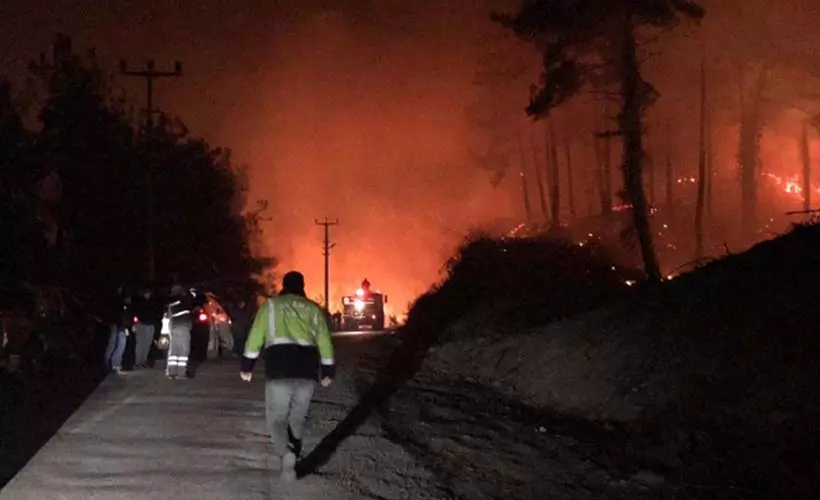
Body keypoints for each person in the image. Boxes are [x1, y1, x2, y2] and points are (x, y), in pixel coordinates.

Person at [240, 271, 335, 482]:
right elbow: (325, 342)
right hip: (307, 371)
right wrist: (328, 371)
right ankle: (294, 456)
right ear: (303, 286)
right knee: (297, 418)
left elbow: (256, 336)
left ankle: (286, 454)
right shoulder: (313, 309)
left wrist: (247, 366)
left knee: (276, 418)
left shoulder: (271, 306)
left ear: (284, 285)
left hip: (279, 368)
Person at [165, 284, 194, 379]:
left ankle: (171, 372)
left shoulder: (171, 301)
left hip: (174, 327)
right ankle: (181, 373)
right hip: (183, 327)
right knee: (184, 350)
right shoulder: (184, 299)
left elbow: (169, 316)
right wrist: (191, 293)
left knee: (174, 350)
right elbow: (190, 302)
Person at [103, 288, 133, 375]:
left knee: (114, 346)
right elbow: (123, 318)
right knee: (120, 347)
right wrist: (125, 328)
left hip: (118, 326)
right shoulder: (122, 306)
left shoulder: (117, 304)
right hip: (120, 327)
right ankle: (115, 366)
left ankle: (110, 365)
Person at [133, 287, 160, 369]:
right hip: (142, 324)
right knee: (141, 344)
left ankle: (143, 361)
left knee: (146, 344)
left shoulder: (151, 302)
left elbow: (155, 313)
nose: (148, 294)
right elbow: (136, 313)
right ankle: (138, 362)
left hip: (149, 324)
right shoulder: (139, 302)